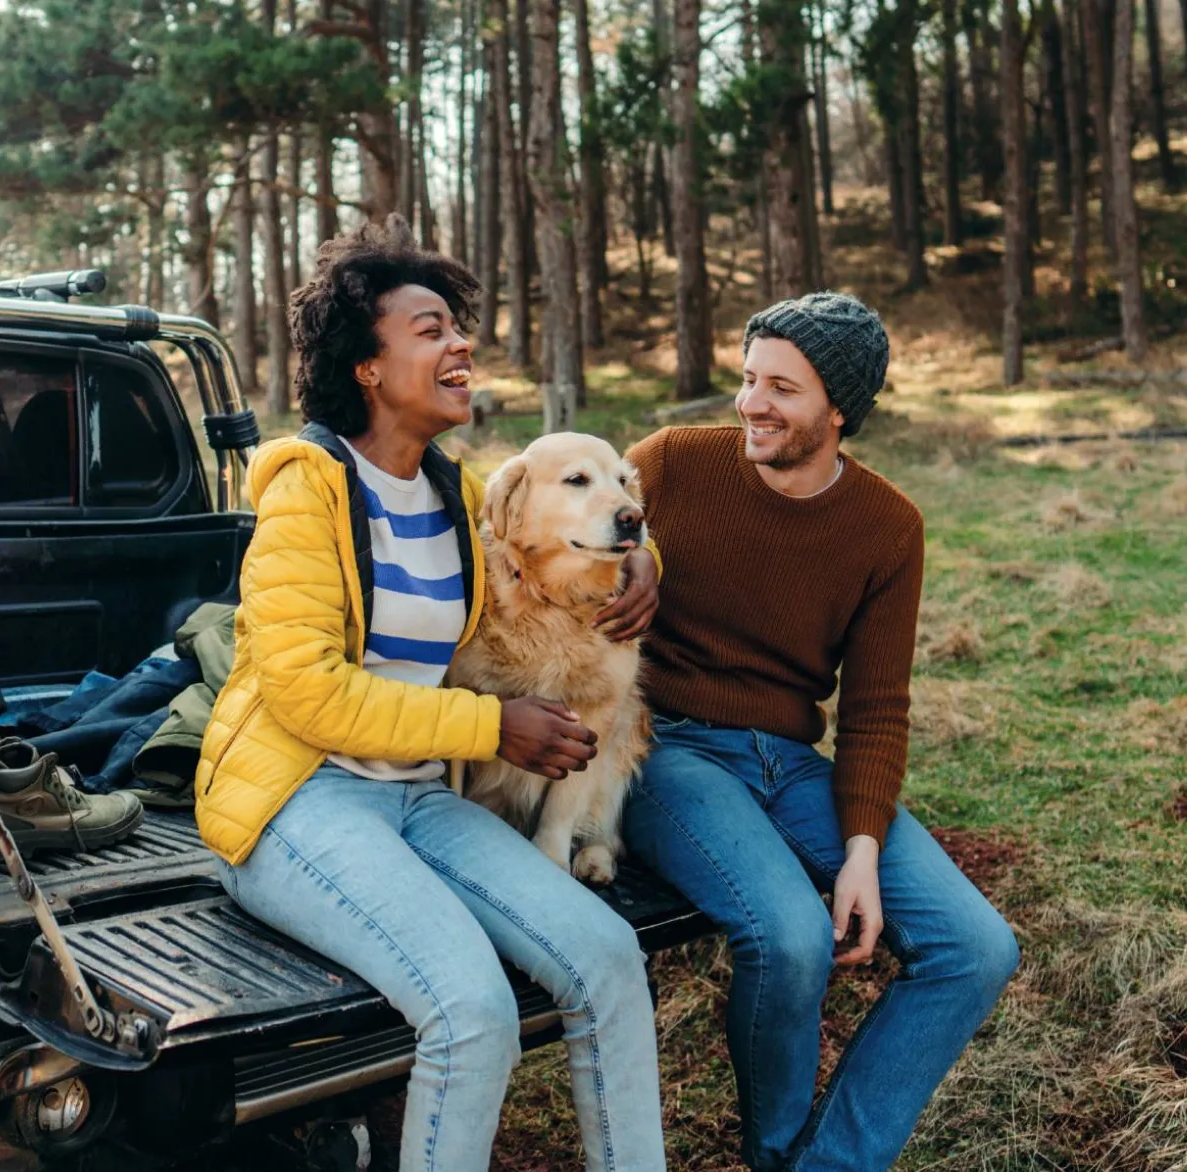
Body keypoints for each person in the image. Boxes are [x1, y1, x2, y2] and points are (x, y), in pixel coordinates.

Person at [195, 222, 665, 1172]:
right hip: (300, 799)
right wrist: (493, 724)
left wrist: (646, 551)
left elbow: (570, 512)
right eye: (429, 329)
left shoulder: (455, 492)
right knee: (471, 1007)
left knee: (611, 962)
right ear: (367, 366)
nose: (460, 346)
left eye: (459, 329)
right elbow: (306, 693)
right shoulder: (306, 490)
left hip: (421, 794)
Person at [622, 292, 1020, 1171]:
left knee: (976, 948)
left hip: (792, 763)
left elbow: (878, 708)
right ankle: (777, 1153)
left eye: (781, 390)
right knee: (792, 936)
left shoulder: (887, 528)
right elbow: (573, 537)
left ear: (839, 409)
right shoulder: (672, 464)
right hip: (667, 748)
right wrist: (633, 562)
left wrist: (863, 852)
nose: (751, 405)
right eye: (748, 379)